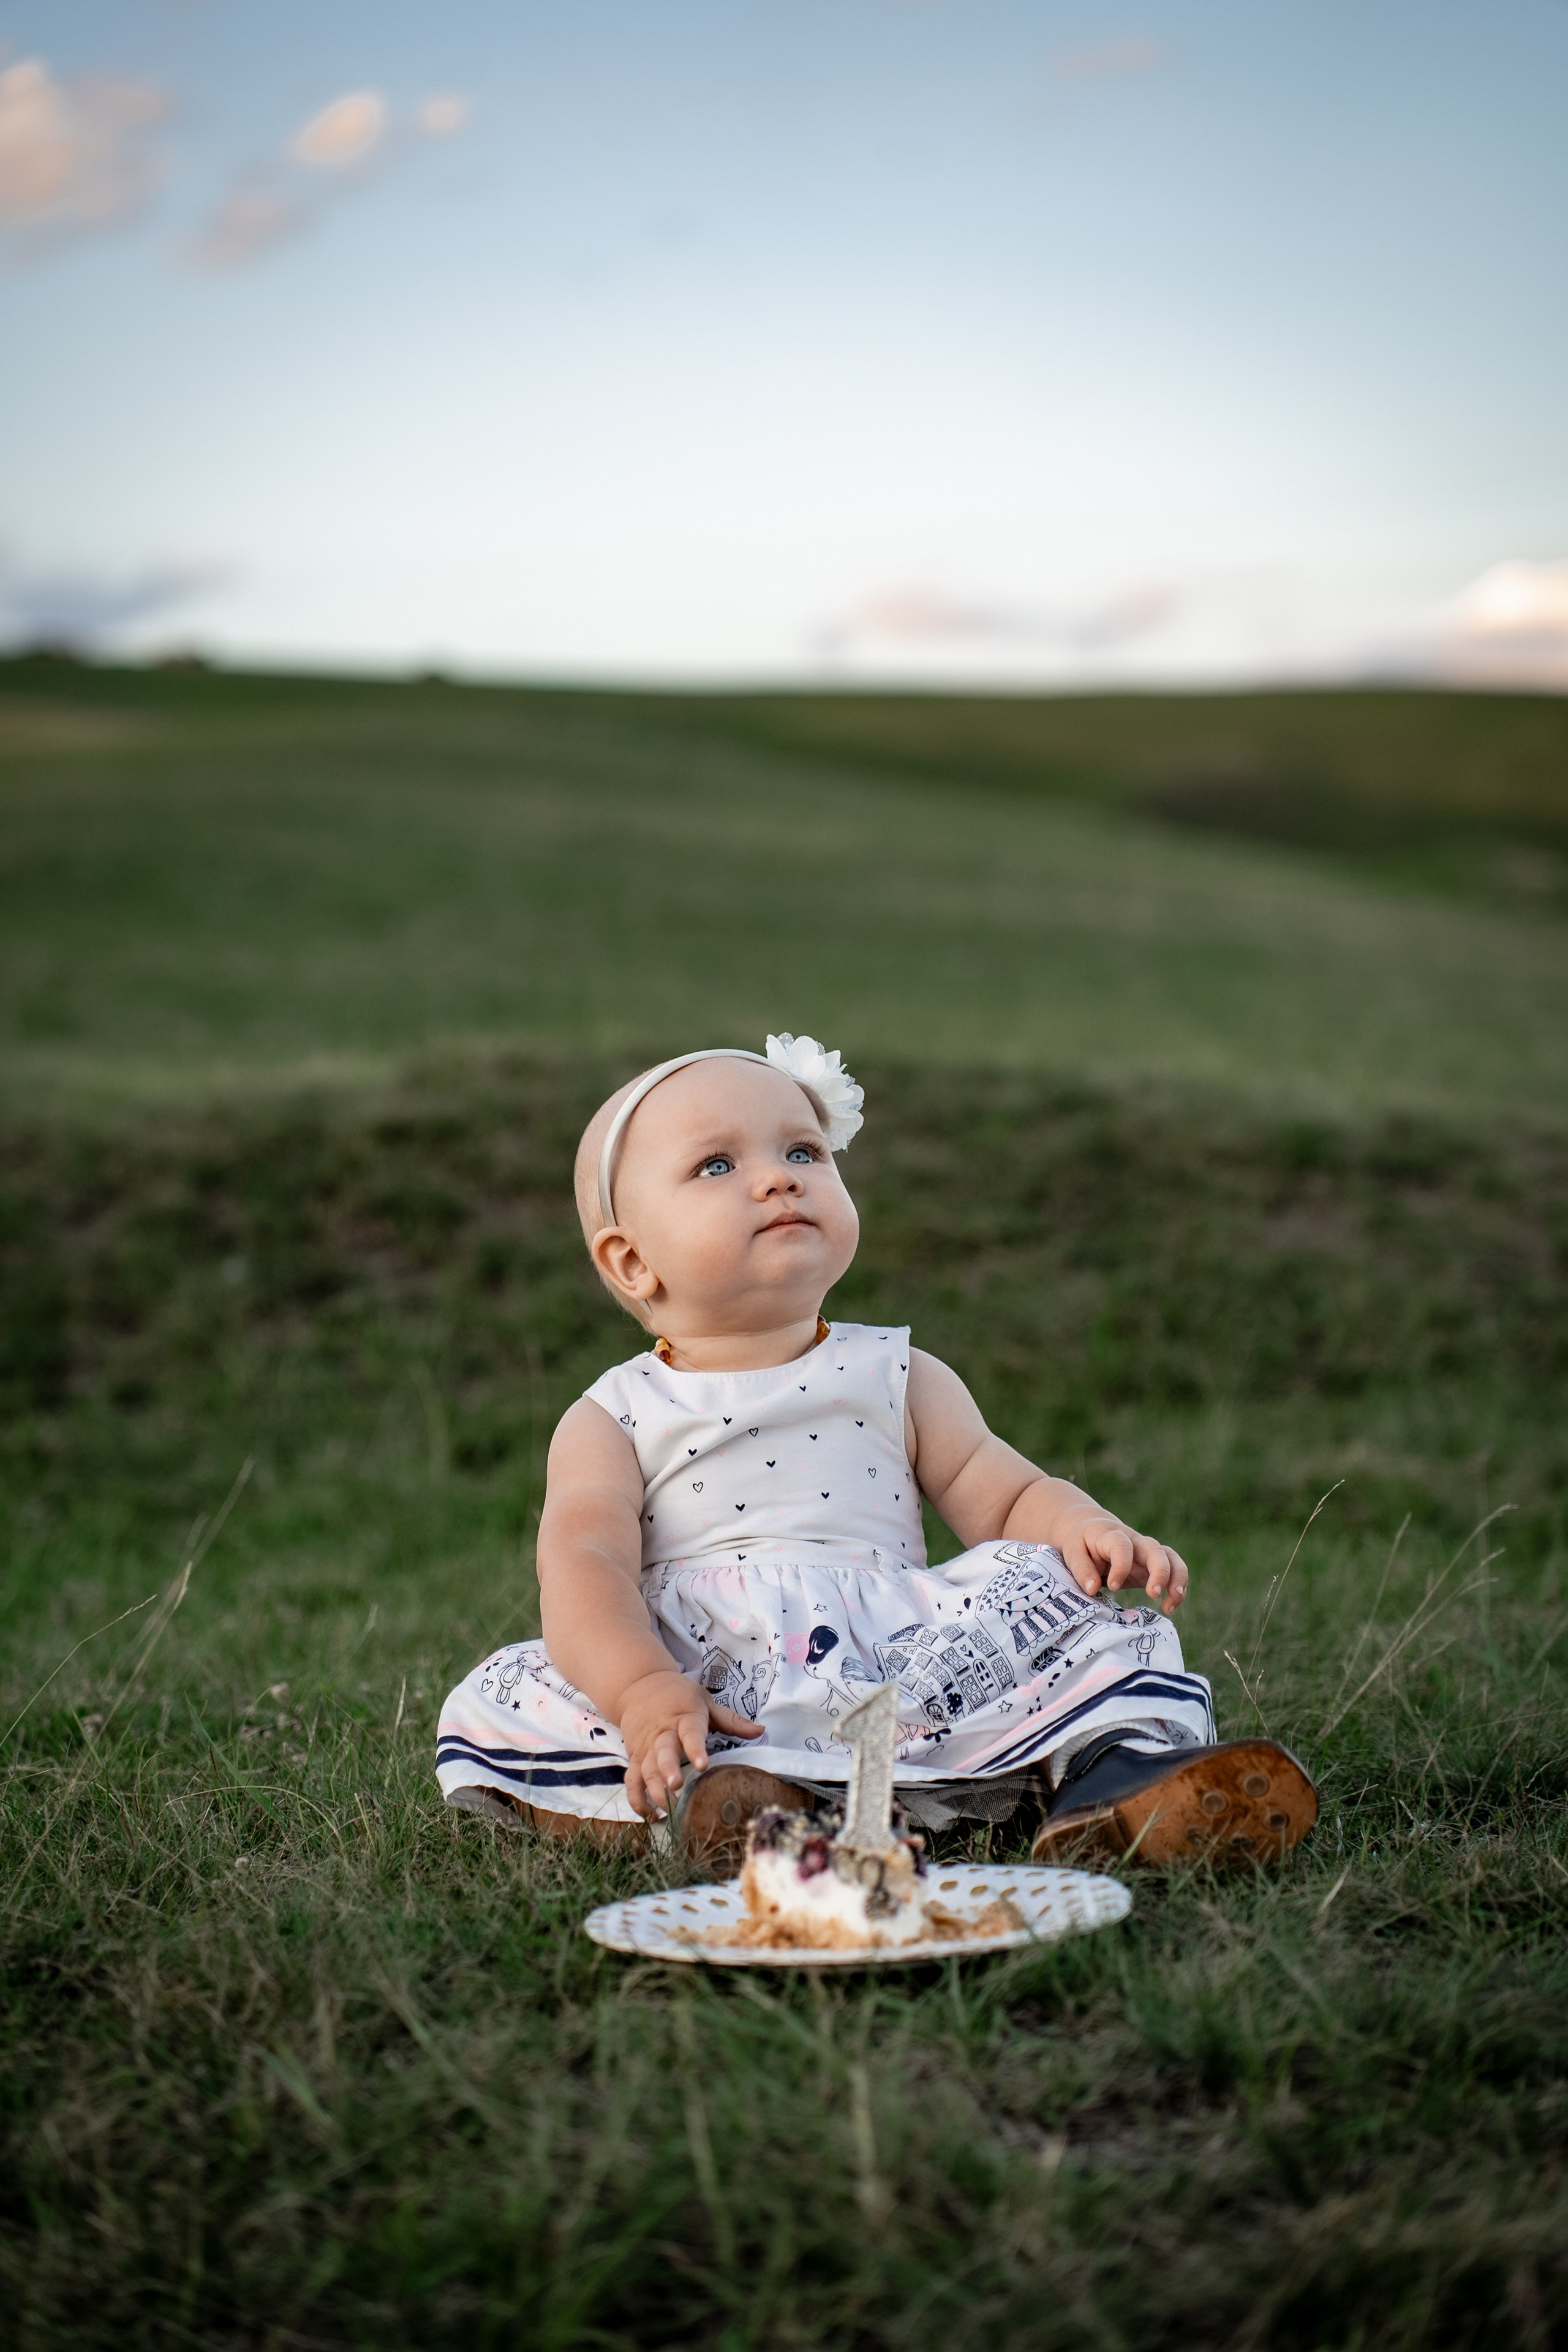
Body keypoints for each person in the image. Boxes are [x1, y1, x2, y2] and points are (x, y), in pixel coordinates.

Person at [435, 1036, 1317, 1871]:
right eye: (718, 1166)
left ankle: (1113, 1784)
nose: (779, 1178)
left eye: (804, 1152)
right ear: (632, 1262)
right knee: (521, 1699)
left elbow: (1003, 1498)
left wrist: (1079, 1525)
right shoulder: (616, 1413)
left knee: (1064, 1600)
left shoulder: (897, 1373)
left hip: (897, 1664)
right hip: (712, 1679)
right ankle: (737, 1804)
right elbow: (584, 1564)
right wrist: (639, 1689)